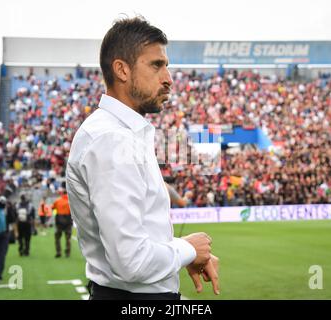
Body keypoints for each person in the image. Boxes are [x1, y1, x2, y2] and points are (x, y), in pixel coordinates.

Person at [66, 16, 219, 300]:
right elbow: (130, 261)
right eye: (156, 65)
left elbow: (138, 235)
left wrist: (181, 252)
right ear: (122, 70)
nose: (168, 79)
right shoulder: (112, 139)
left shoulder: (121, 132)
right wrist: (188, 249)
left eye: (167, 67)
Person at [52, 184, 72, 258]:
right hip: (68, 221)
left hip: (59, 221)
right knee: (68, 238)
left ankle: (58, 252)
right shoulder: (70, 202)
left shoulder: (58, 201)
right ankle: (67, 252)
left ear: (62, 194)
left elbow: (52, 208)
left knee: (57, 238)